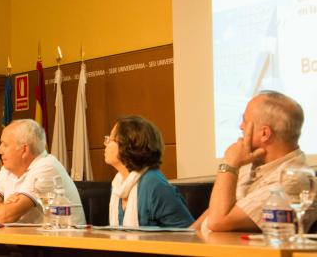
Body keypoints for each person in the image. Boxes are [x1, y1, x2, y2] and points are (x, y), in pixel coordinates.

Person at [192, 91, 306, 232]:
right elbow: (215, 209)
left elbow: (217, 222)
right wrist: (187, 236)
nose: (241, 126)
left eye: (245, 120)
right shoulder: (253, 162)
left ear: (264, 133)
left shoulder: (292, 180)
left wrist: (229, 163)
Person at [0, 119, 86, 225]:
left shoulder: (46, 166)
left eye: (5, 144)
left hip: (63, 234)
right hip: (28, 235)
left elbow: (4, 216)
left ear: (24, 150)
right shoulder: (9, 168)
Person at [104, 115, 193, 227]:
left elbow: (188, 231)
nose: (105, 143)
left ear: (128, 144)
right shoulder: (118, 184)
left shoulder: (153, 184)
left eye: (110, 139)